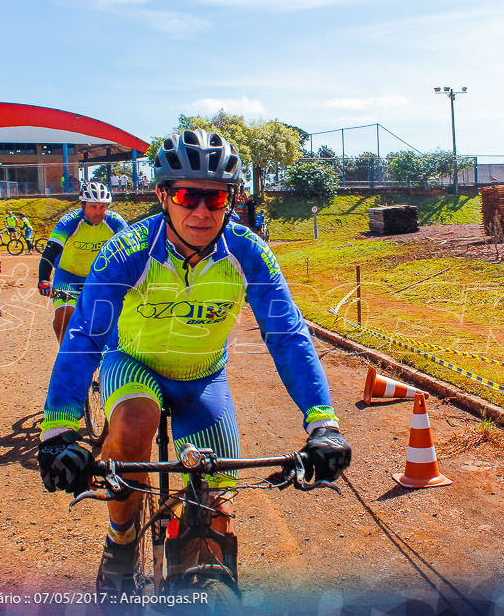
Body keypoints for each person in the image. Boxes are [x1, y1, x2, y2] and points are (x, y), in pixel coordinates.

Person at [37, 129, 351, 599]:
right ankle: (120, 544)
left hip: (202, 376)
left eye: (216, 197)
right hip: (134, 364)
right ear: (163, 195)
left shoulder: (249, 254)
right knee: (135, 423)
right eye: (187, 195)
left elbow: (287, 336)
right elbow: (85, 335)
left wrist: (323, 423)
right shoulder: (127, 250)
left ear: (231, 199)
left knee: (217, 507)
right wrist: (60, 428)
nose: (202, 210)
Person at [37, 182, 128, 342]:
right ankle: (66, 357)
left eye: (102, 207)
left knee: (110, 321)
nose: (98, 212)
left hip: (98, 278)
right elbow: (50, 251)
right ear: (82, 205)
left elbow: (132, 251)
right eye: (93, 207)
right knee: (63, 315)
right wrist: (44, 279)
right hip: (67, 277)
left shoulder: (115, 221)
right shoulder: (70, 222)